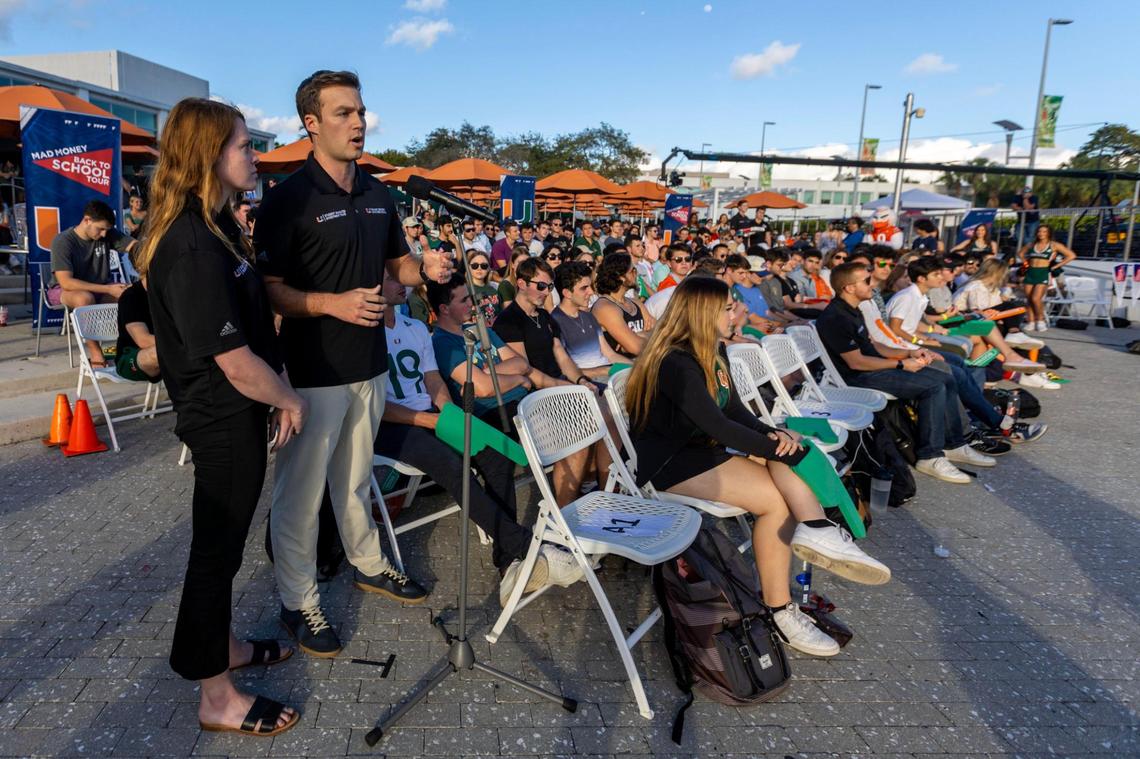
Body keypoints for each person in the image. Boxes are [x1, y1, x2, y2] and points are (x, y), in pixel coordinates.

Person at [255, 70, 451, 658]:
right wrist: (328, 303)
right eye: (343, 113)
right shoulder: (288, 199)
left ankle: (368, 562)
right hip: (312, 372)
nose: (359, 122)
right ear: (311, 123)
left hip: (370, 366)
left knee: (354, 480)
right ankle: (297, 602)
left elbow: (399, 268)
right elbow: (268, 290)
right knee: (300, 494)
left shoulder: (377, 192)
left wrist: (427, 269)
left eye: (361, 111)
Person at [141, 98, 303, 737]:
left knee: (225, 552)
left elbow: (256, 331)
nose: (254, 155)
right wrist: (286, 399)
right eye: (243, 144)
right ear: (209, 154)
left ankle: (223, 645)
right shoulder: (189, 244)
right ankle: (216, 694)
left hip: (238, 412)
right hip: (219, 417)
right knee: (214, 555)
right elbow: (233, 361)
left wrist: (281, 380)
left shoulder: (216, 227)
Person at [626, 276, 891, 657]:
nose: (737, 312)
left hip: (704, 451)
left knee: (782, 466)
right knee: (779, 478)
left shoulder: (711, 351)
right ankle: (797, 576)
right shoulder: (676, 361)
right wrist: (773, 446)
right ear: (704, 313)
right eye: (728, 306)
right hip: (673, 462)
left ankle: (812, 541)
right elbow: (715, 423)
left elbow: (732, 409)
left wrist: (774, 434)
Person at [376, 275, 582, 604]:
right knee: (452, 466)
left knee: (496, 453)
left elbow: (433, 382)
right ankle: (527, 546)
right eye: (390, 279)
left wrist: (450, 417)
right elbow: (375, 405)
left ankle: (510, 562)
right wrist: (434, 420)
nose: (402, 282)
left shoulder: (414, 329)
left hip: (431, 416)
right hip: (392, 425)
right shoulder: (366, 336)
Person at [817, 263, 995, 484]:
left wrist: (911, 351)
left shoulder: (853, 310)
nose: (872, 285)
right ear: (849, 288)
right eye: (866, 281)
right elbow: (856, 362)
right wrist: (901, 365)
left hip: (870, 367)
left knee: (946, 375)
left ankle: (954, 443)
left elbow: (875, 348)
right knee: (933, 385)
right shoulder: (836, 317)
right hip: (858, 377)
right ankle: (930, 456)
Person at [48, 199, 136, 366]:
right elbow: (66, 282)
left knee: (130, 296)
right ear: (87, 220)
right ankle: (96, 355)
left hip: (100, 287)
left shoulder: (107, 233)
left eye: (106, 230)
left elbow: (134, 245)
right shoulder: (63, 241)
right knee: (84, 298)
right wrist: (108, 289)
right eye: (100, 229)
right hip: (63, 290)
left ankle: (127, 349)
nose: (104, 234)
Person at [551, 261, 624, 379]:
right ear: (567, 293)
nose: (591, 292)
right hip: (587, 384)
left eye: (590, 286)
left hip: (608, 375)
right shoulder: (554, 322)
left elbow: (610, 354)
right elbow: (564, 369)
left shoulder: (589, 316)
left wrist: (637, 367)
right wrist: (605, 371)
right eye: (584, 288)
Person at [591, 251, 654, 357]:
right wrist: (649, 335)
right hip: (619, 369)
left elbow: (661, 335)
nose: (636, 274)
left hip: (642, 364)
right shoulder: (605, 307)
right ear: (620, 277)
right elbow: (636, 348)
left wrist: (638, 335)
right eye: (632, 271)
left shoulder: (636, 303)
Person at [1018, 225, 1075, 332]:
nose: (1041, 233)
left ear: (1049, 233)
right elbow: (1020, 253)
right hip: (1030, 272)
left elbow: (1071, 255)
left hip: (1043, 272)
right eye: (1039, 231)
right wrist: (1026, 263)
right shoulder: (1032, 244)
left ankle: (1040, 320)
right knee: (1029, 299)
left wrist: (1056, 266)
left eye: (1044, 231)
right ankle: (1030, 321)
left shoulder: (1054, 245)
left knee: (1036, 298)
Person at [114, 278, 161, 382]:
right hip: (130, 355)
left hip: (171, 354)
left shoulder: (174, 292)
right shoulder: (131, 296)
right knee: (158, 353)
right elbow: (143, 340)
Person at [467, 250, 502, 325]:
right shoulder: (464, 291)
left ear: (489, 268)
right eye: (475, 265)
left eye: (484, 266)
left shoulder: (494, 289)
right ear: (469, 267)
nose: (479, 268)